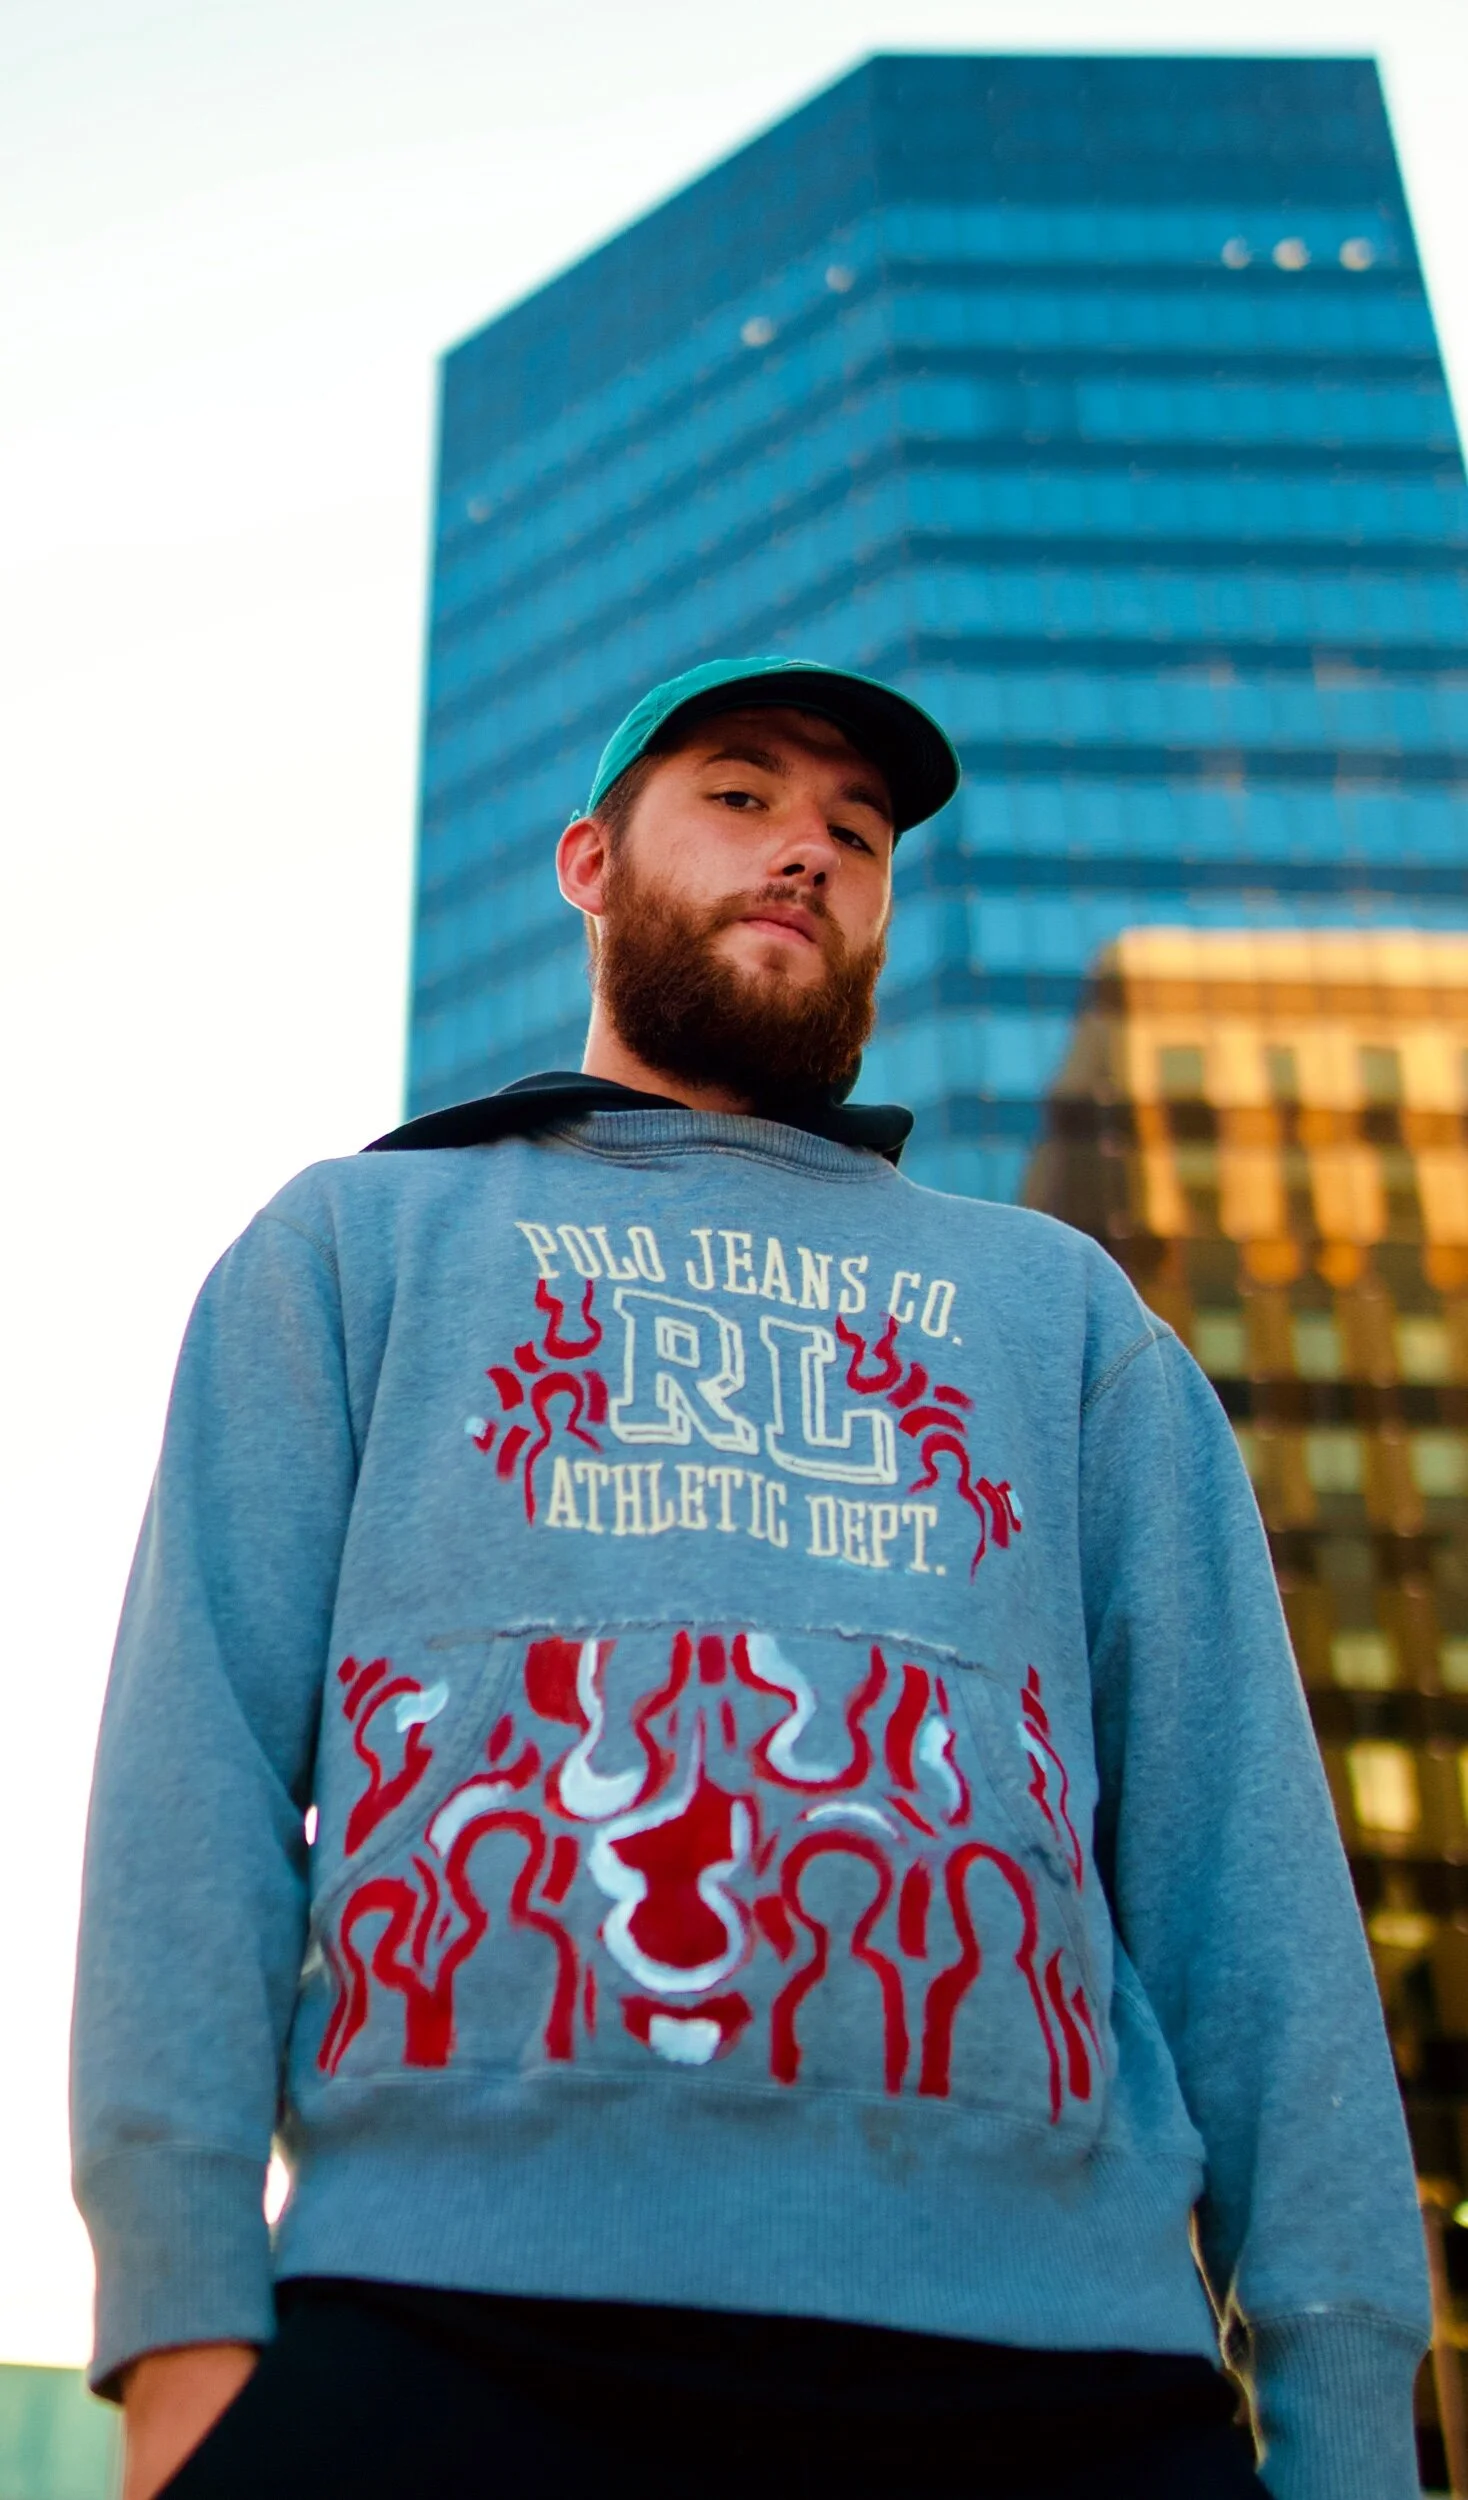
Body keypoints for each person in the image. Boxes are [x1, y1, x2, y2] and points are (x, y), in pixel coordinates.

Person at [73, 656, 1428, 2500]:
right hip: (445, 2311)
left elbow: (1246, 1880)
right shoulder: (357, 1245)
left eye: (856, 834)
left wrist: (1344, 2420)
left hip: (1059, 2367)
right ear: (589, 862)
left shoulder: (1063, 1318)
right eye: (740, 796)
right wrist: (179, 2326)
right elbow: (194, 1770)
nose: (808, 850)